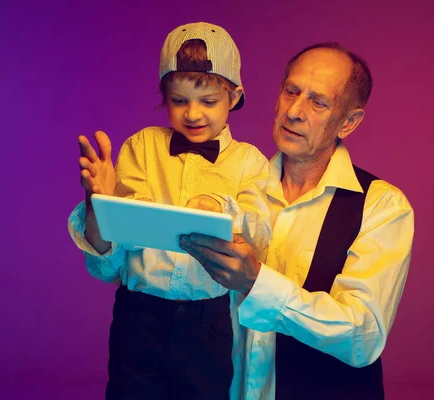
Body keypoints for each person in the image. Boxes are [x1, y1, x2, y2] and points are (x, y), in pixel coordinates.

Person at [179, 42, 415, 399]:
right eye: (291, 92)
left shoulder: (383, 206)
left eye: (318, 102)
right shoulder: (231, 192)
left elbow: (362, 336)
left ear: (349, 122)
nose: (294, 111)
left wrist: (255, 282)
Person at [67, 22, 271, 399]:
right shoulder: (141, 148)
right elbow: (107, 267)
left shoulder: (249, 162)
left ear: (235, 96)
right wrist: (100, 206)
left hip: (208, 323)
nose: (193, 114)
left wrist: (221, 210)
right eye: (179, 100)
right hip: (139, 317)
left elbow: (260, 234)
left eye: (208, 101)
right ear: (164, 95)